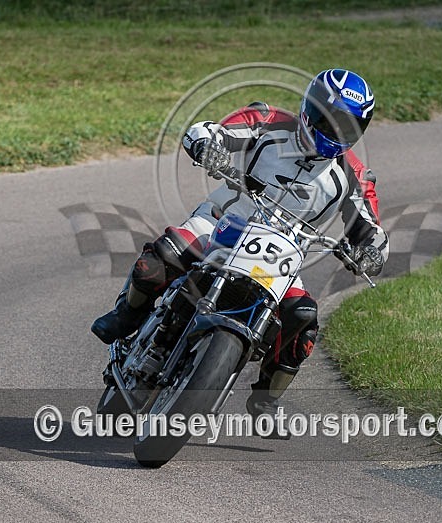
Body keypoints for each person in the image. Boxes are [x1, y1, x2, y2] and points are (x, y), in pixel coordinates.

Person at [91, 69, 389, 438]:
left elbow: (371, 227)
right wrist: (207, 144)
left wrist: (369, 250)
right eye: (331, 119)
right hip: (223, 224)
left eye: (349, 125)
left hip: (279, 255)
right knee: (163, 258)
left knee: (303, 318)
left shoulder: (353, 174)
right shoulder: (267, 122)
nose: (336, 131)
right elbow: (210, 129)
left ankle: (266, 399)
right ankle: (126, 315)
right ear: (310, 108)